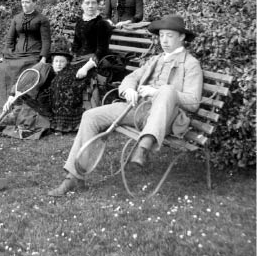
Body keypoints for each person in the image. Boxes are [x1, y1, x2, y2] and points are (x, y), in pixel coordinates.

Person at [48, 15, 203, 196]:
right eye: (161, 36)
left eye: (169, 35)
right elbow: (131, 78)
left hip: (167, 119)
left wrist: (156, 92)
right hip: (139, 110)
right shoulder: (156, 59)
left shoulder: (191, 64)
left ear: (182, 37)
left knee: (167, 90)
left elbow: (193, 102)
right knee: (90, 116)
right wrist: (129, 89)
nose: (164, 40)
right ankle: (74, 178)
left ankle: (143, 148)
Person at [2, 37, 88, 134]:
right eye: (56, 61)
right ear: (52, 61)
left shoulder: (67, 73)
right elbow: (23, 80)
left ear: (67, 62)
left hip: (55, 107)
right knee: (25, 117)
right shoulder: (43, 68)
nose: (59, 64)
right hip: (40, 102)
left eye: (62, 61)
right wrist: (11, 97)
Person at [0, 0, 51, 108]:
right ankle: (5, 100)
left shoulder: (42, 19)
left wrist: (43, 59)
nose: (24, 5)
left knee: (28, 66)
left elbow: (46, 40)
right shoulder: (16, 18)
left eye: (27, 2)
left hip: (34, 53)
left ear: (34, 3)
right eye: (22, 2)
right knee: (3, 67)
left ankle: (23, 101)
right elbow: (10, 39)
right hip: (17, 53)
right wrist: (5, 55)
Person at [72, 0, 113, 107]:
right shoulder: (80, 22)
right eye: (87, 3)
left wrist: (85, 67)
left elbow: (101, 50)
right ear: (81, 5)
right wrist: (72, 60)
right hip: (78, 60)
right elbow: (76, 45)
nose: (91, 6)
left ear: (98, 4)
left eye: (93, 3)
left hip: (95, 62)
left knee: (73, 81)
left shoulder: (101, 24)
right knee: (61, 78)